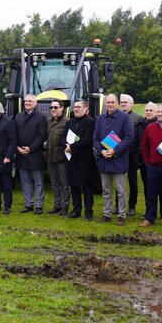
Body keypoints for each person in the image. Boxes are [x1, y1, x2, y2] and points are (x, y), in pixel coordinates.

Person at [94, 94, 135, 225]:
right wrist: (101, 151)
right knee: (106, 190)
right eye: (108, 102)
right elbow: (95, 138)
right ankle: (107, 214)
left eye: (113, 102)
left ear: (117, 103)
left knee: (121, 190)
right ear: (105, 103)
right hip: (104, 159)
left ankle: (121, 215)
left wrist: (115, 150)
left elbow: (129, 137)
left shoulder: (124, 117)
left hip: (118, 159)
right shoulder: (100, 118)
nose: (110, 104)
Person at [14, 94, 48, 214]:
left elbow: (42, 135)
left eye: (30, 101)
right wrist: (18, 148)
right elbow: (14, 135)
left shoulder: (41, 117)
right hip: (21, 154)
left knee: (38, 181)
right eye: (25, 101)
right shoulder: (18, 117)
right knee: (25, 181)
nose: (27, 103)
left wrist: (31, 148)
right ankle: (28, 204)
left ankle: (39, 205)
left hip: (35, 154)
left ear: (35, 103)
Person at [135, 101, 162, 220]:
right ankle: (149, 210)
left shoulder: (161, 125)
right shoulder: (140, 125)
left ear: (156, 112)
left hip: (159, 161)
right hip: (144, 162)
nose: (148, 112)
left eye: (151, 110)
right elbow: (138, 142)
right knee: (147, 187)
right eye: (147, 110)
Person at [65, 99, 97, 220]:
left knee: (87, 186)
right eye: (75, 107)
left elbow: (87, 140)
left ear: (85, 109)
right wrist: (66, 146)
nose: (76, 109)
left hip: (85, 159)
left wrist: (71, 147)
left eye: (79, 107)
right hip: (72, 159)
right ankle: (76, 210)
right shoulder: (70, 122)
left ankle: (88, 212)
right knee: (74, 186)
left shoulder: (91, 122)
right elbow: (64, 137)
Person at [46, 99, 70, 216]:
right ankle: (57, 205)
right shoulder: (48, 122)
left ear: (62, 108)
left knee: (64, 183)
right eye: (51, 108)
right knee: (54, 183)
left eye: (55, 107)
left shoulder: (67, 122)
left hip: (62, 158)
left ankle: (65, 206)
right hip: (50, 157)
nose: (53, 110)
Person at [120, 94, 141, 215]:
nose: (123, 104)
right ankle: (118, 205)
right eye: (121, 102)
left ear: (131, 104)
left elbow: (139, 138)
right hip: (119, 154)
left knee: (132, 181)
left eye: (125, 102)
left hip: (132, 155)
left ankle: (132, 206)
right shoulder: (117, 116)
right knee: (119, 182)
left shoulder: (137, 118)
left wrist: (137, 154)